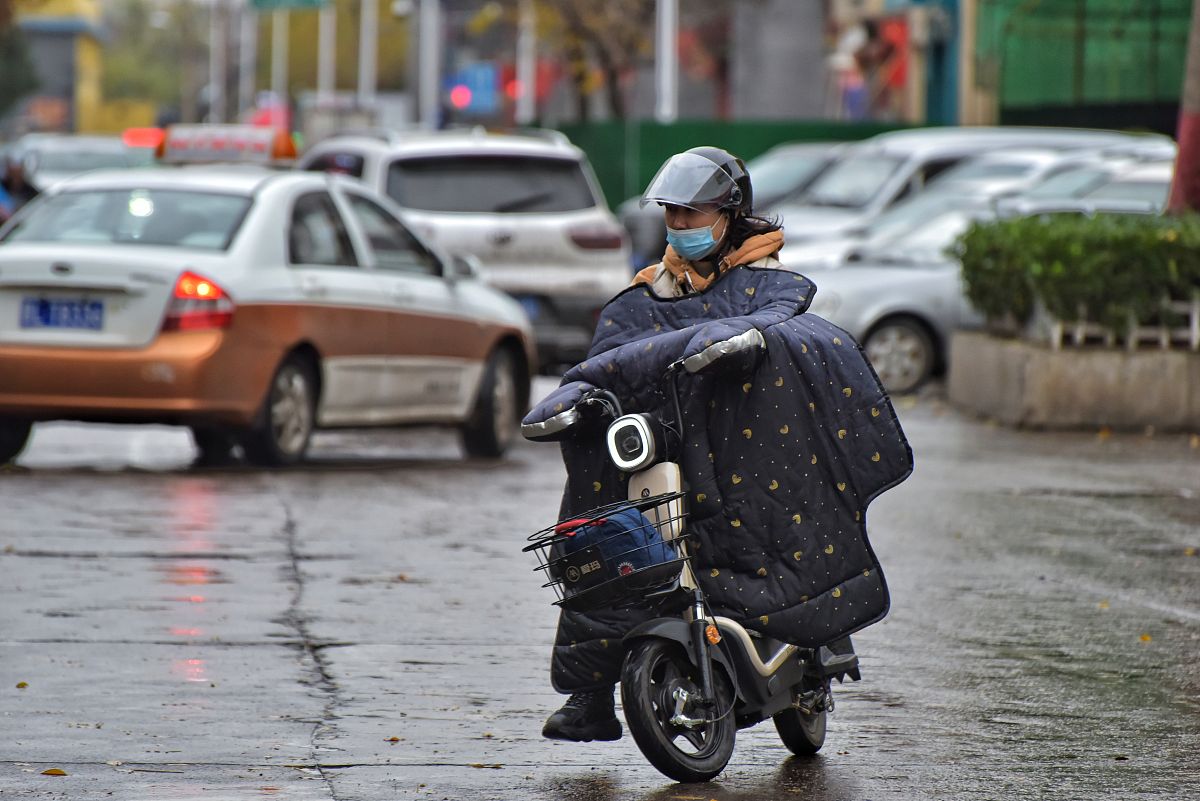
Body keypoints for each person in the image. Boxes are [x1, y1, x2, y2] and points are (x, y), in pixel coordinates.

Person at [542, 146, 788, 741]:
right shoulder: (650, 287)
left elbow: (787, 349)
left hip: (741, 439)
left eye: (694, 215)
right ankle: (591, 691)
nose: (681, 227)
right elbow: (612, 357)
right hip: (663, 435)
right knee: (594, 521)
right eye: (673, 215)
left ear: (731, 215)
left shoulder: (769, 283)